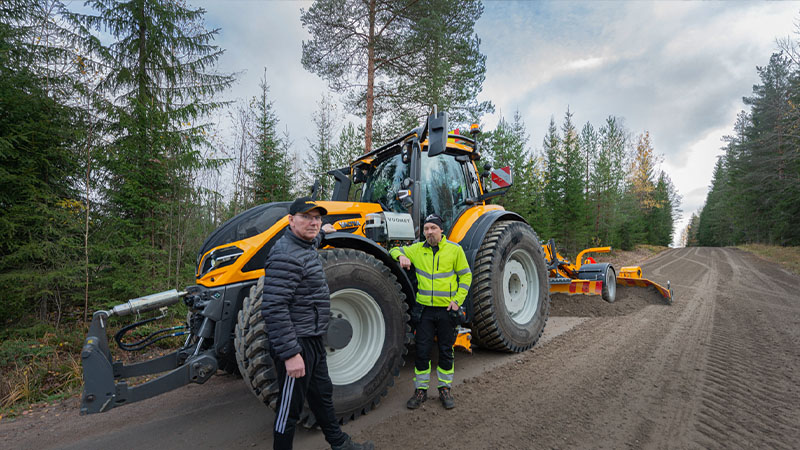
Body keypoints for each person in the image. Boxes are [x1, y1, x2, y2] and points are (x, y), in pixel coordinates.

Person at [261, 197, 374, 450]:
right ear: (290, 221)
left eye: (317, 218)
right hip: (296, 344)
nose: (313, 222)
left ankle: (340, 444)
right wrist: (291, 354)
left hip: (313, 339)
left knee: (323, 396)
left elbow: (314, 239)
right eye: (306, 217)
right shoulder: (285, 256)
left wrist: (323, 233)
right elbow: (274, 308)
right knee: (289, 410)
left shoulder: (305, 244)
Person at [389, 213, 472, 410]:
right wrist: (401, 255)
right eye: (426, 229)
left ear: (441, 230)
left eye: (433, 228)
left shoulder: (454, 250)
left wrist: (457, 301)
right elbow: (393, 249)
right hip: (425, 311)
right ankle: (421, 390)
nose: (429, 232)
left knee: (445, 350)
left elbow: (466, 277)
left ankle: (445, 389)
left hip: (446, 310)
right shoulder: (417, 249)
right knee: (422, 351)